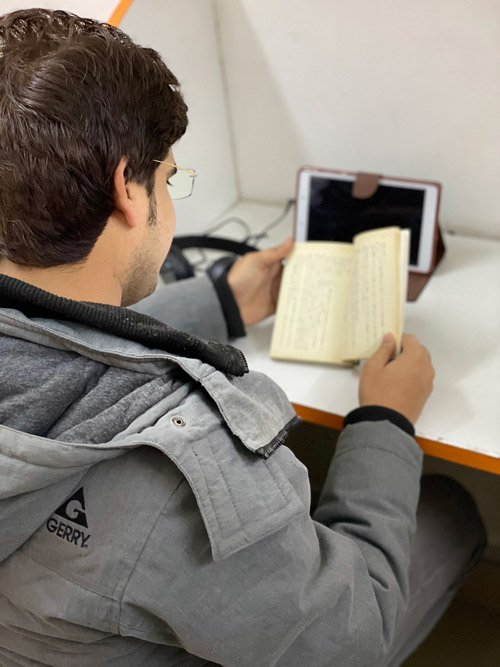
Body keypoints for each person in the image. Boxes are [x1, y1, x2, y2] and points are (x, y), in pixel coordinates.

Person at [0, 9, 485, 666]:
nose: (169, 200)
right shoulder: (178, 477)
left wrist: (223, 298)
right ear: (127, 191)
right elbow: (353, 636)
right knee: (452, 509)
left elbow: (57, 337)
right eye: (169, 180)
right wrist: (385, 418)